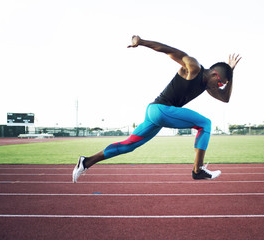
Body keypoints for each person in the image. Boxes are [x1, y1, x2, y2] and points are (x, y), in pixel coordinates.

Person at [72, 35, 241, 183]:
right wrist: (141, 42)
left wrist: (230, 74)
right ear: (214, 74)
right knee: (205, 124)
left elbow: (225, 98)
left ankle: (86, 162)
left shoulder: (207, 86)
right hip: (162, 110)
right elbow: (169, 50)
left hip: (154, 113)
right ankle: (198, 170)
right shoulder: (194, 67)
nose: (219, 87)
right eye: (220, 83)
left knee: (128, 145)